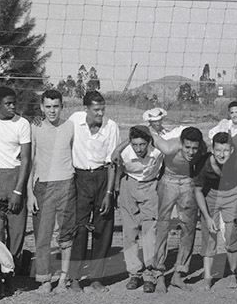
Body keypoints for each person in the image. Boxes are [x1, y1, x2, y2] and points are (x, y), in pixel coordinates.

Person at [67, 90, 120, 291]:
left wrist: (109, 193)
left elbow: (112, 162)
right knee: (79, 228)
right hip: (80, 178)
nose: (100, 113)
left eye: (102, 109)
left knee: (103, 228)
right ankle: (74, 278)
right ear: (86, 109)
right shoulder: (74, 120)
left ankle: (97, 277)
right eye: (96, 109)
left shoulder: (111, 127)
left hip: (102, 177)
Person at [27, 90, 77, 293]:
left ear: (62, 106)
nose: (52, 111)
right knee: (43, 235)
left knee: (66, 234)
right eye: (48, 106)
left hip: (66, 183)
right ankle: (45, 280)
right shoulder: (35, 127)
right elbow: (30, 162)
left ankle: (63, 280)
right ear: (41, 107)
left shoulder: (70, 126)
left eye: (56, 106)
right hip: (43, 186)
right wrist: (30, 193)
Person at [0, 87, 32, 269]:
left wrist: (18, 191)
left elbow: (26, 159)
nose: (12, 107)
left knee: (16, 229)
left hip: (15, 176)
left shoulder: (22, 124)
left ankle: (12, 268)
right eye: (8, 104)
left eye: (14, 103)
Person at [152, 126, 209, 291]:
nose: (191, 152)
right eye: (187, 147)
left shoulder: (203, 148)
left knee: (188, 227)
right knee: (162, 226)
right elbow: (151, 135)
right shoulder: (169, 147)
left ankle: (179, 273)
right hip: (168, 180)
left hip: (187, 182)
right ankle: (159, 274)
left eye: (194, 148)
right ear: (181, 143)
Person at [115, 125, 164, 293]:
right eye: (134, 144)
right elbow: (113, 160)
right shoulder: (125, 152)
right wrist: (116, 190)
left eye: (142, 144)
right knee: (130, 231)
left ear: (149, 142)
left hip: (151, 185)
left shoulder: (158, 152)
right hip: (129, 184)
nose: (138, 149)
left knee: (150, 231)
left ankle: (150, 274)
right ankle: (134, 273)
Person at [194, 131, 237, 289]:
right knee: (209, 234)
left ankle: (233, 273)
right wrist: (207, 217)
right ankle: (207, 277)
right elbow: (197, 191)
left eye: (225, 150)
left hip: (232, 194)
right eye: (218, 150)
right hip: (211, 196)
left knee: (231, 234)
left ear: (232, 150)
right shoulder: (204, 163)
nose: (221, 154)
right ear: (212, 149)